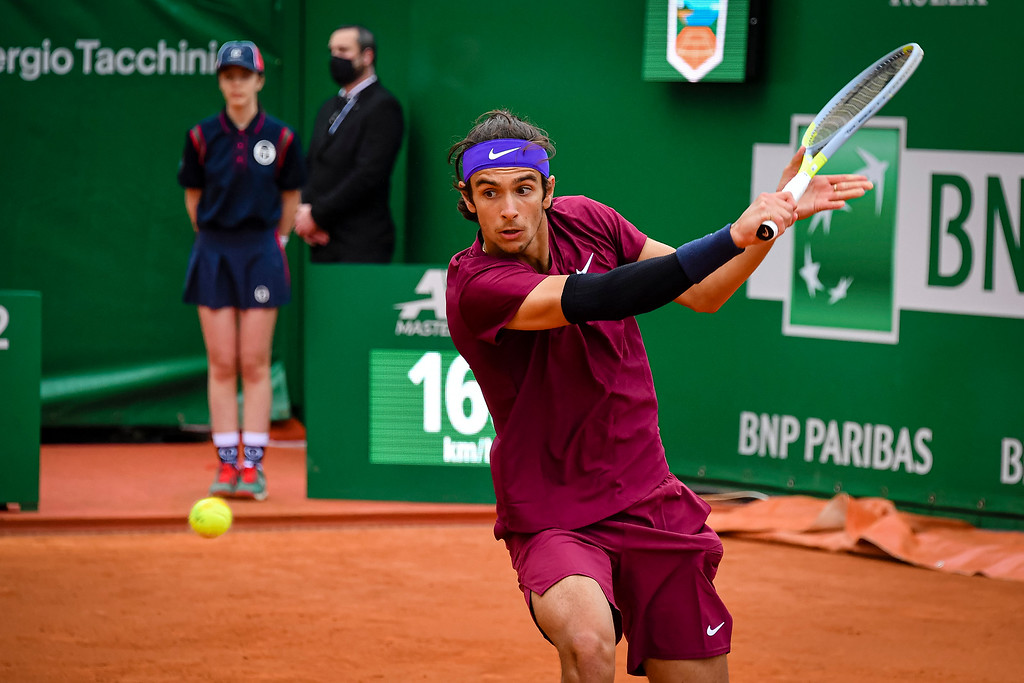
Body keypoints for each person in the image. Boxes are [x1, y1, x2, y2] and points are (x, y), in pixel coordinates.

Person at [444, 109, 871, 682]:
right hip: (553, 514)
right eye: (489, 193)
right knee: (589, 642)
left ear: (548, 190)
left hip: (647, 496)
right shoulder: (476, 285)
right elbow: (602, 295)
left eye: (524, 189)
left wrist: (778, 215)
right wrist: (732, 233)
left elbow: (705, 292)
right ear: (468, 201)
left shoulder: (589, 221)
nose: (509, 209)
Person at [176, 40, 306, 501]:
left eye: (244, 75)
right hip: (213, 249)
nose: (236, 84)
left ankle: (253, 466)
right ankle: (226, 463)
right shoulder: (201, 136)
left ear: (259, 80)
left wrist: (280, 240)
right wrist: (210, 237)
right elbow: (193, 194)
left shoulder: (282, 137)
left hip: (261, 251)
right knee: (221, 362)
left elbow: (290, 196)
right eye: (228, 76)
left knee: (253, 363)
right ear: (221, 81)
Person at [293, 24, 404, 263]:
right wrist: (304, 213)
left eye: (343, 50)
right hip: (322, 240)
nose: (336, 57)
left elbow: (368, 174)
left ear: (367, 55)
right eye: (332, 51)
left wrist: (317, 215)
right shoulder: (328, 106)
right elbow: (311, 163)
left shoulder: (383, 106)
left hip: (362, 243)